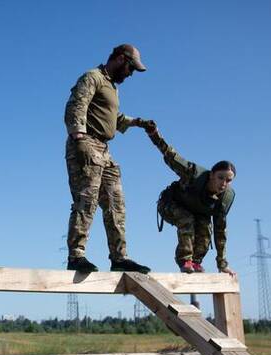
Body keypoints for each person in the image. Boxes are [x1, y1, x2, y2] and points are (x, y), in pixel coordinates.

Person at [64, 43, 152, 273]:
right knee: (87, 199)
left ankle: (119, 257)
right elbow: (76, 106)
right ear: (122, 59)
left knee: (116, 202)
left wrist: (136, 122)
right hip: (86, 143)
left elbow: (111, 117)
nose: (131, 74)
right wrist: (79, 137)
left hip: (104, 148)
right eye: (131, 68)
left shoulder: (112, 87)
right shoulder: (92, 77)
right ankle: (76, 255)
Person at [143, 121, 236, 276]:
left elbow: (221, 234)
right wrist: (154, 134)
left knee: (206, 230)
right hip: (170, 204)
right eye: (220, 178)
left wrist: (222, 264)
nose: (223, 184)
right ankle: (185, 260)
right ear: (212, 174)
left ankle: (195, 262)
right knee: (187, 218)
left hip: (198, 211)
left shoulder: (224, 199)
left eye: (228, 180)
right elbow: (170, 155)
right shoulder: (193, 174)